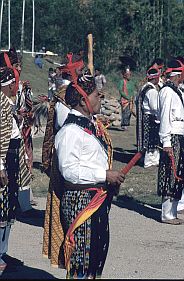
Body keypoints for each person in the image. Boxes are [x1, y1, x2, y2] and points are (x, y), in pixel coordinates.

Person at [42, 71, 125, 279]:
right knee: (81, 260)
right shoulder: (70, 131)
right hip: (80, 200)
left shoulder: (90, 126)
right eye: (97, 95)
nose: (101, 98)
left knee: (96, 255)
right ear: (82, 100)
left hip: (95, 198)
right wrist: (104, 175)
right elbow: (69, 171)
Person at [0, 67, 31, 272]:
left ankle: (2, 252)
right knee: (1, 209)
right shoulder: (1, 105)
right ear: (11, 85)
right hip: (4, 161)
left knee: (8, 207)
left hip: (11, 160)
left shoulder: (7, 104)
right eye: (15, 84)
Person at [157, 59, 184, 225]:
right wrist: (166, 141)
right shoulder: (167, 91)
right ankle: (166, 214)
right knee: (170, 173)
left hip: (179, 135)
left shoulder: (177, 91)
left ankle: (172, 212)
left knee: (178, 174)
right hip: (172, 137)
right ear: (179, 74)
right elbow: (165, 117)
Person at [136, 66, 160, 168]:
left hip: (143, 117)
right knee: (151, 139)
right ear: (155, 78)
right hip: (150, 117)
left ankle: (143, 157)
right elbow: (155, 107)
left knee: (145, 138)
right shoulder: (152, 91)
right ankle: (150, 160)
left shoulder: (143, 88)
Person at [118, 66, 135, 131]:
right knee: (125, 112)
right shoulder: (122, 82)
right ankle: (123, 125)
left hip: (130, 100)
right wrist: (127, 97)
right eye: (127, 74)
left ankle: (127, 124)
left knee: (129, 112)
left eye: (130, 74)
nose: (129, 76)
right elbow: (120, 91)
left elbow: (132, 90)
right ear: (124, 75)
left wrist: (132, 97)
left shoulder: (131, 82)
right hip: (124, 100)